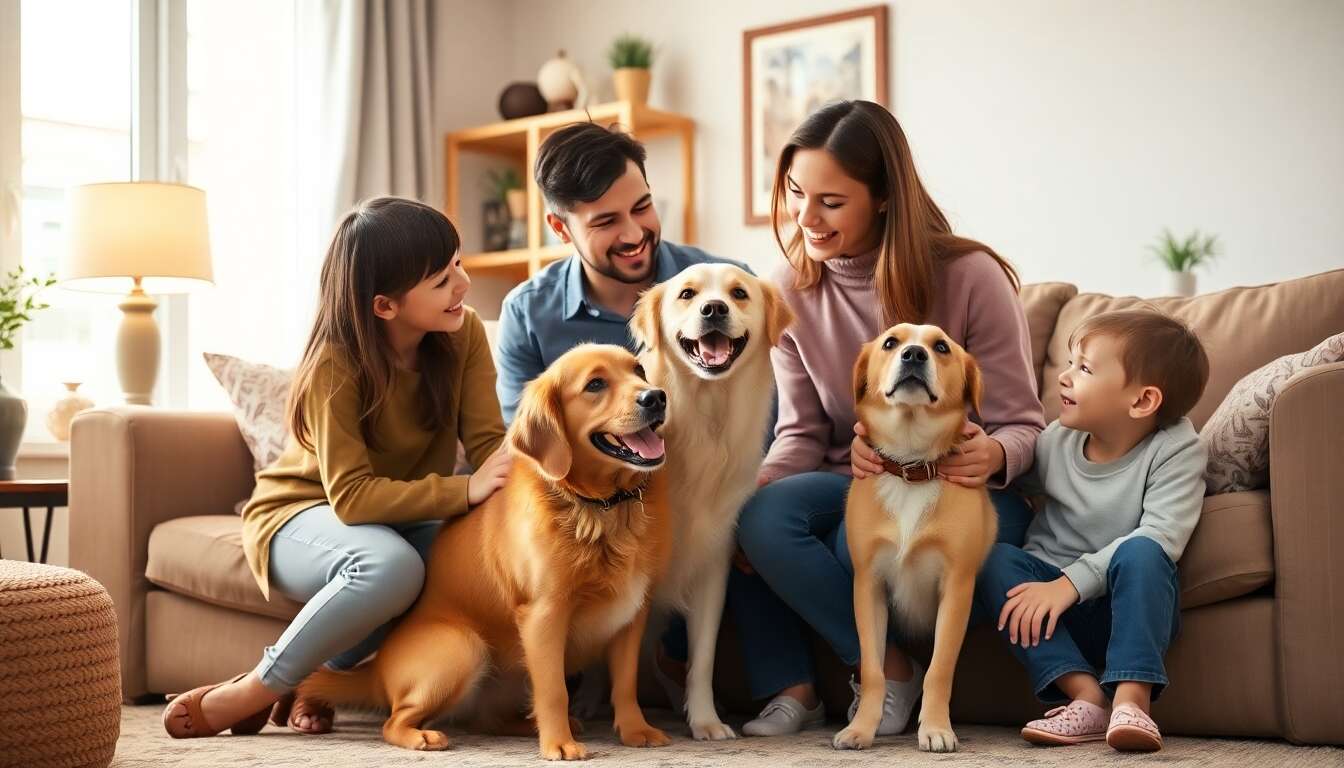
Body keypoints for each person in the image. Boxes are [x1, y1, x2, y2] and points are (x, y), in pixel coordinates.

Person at [733, 100, 1046, 737]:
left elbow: (1023, 423)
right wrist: (743, 508)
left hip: (963, 486)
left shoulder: (969, 276)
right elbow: (801, 433)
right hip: (860, 485)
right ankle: (884, 667)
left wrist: (995, 455)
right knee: (760, 517)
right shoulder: (790, 290)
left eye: (830, 201)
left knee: (905, 552)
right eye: (796, 192)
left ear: (882, 198)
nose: (805, 217)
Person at [162, 197, 511, 738]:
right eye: (443, 280)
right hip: (302, 511)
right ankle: (255, 688)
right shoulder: (335, 363)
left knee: (459, 570)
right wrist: (464, 492)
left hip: (400, 517)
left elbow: (491, 443)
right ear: (385, 306)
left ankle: (314, 679)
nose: (463, 285)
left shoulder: (462, 335)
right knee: (392, 567)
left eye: (459, 264)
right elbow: (352, 498)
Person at [493, 120, 749, 711]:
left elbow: (764, 415)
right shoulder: (530, 313)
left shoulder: (718, 287)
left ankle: (777, 687)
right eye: (606, 222)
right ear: (560, 227)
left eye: (642, 207)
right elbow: (528, 451)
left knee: (747, 528)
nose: (635, 234)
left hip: (707, 495)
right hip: (599, 507)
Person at [975, 309, 1209, 752]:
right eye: (1068, 363)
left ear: (1141, 401)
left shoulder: (1177, 450)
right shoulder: (1055, 441)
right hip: (1047, 613)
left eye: (1083, 368)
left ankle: (1132, 701)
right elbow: (1006, 472)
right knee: (992, 557)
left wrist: (1070, 583)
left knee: (1143, 550)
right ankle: (1086, 697)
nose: (1063, 378)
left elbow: (1164, 535)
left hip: (1129, 610)